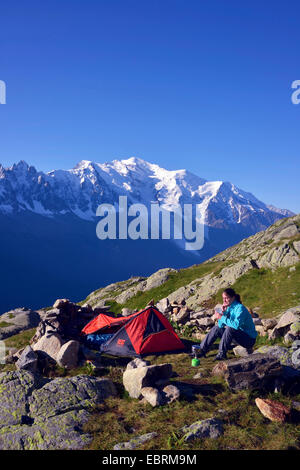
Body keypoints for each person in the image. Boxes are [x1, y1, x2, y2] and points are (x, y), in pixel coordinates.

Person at [197, 288, 258, 361]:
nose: (224, 301)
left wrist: (221, 317)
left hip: (248, 339)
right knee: (216, 328)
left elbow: (236, 325)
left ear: (233, 297)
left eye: (226, 298)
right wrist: (223, 313)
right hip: (237, 336)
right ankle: (202, 350)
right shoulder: (228, 307)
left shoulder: (240, 308)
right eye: (223, 298)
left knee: (230, 328)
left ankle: (222, 354)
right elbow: (220, 326)